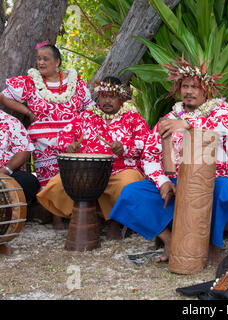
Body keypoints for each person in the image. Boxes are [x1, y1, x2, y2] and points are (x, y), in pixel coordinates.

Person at [109, 57, 228, 264]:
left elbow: (226, 128)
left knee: (227, 191)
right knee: (131, 194)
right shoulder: (168, 118)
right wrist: (163, 182)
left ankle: (212, 245)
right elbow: (150, 157)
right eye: (185, 86)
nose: (189, 91)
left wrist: (186, 123)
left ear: (205, 91)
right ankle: (169, 241)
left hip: (213, 180)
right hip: (177, 182)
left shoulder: (219, 111)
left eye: (195, 87)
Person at [36, 77, 150, 238]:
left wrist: (125, 148)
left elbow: (146, 143)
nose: (107, 100)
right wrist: (69, 145)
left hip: (121, 170)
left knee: (128, 183)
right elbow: (64, 135)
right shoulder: (86, 116)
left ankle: (115, 222)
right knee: (58, 182)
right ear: (98, 97)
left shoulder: (134, 118)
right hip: (87, 172)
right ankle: (90, 216)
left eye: (112, 96)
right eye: (103, 96)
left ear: (121, 98)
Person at [0, 42, 95, 190]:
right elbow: (4, 97)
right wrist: (27, 112)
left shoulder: (75, 82)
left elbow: (89, 107)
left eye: (45, 59)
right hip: (44, 146)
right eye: (39, 59)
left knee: (77, 183)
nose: (41, 62)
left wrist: (81, 129)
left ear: (57, 62)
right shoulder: (30, 82)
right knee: (50, 188)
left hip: (73, 143)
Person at [0, 109, 40, 203]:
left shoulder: (9, 122)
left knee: (28, 181)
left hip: (6, 172)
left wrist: (5, 170)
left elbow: (24, 151)